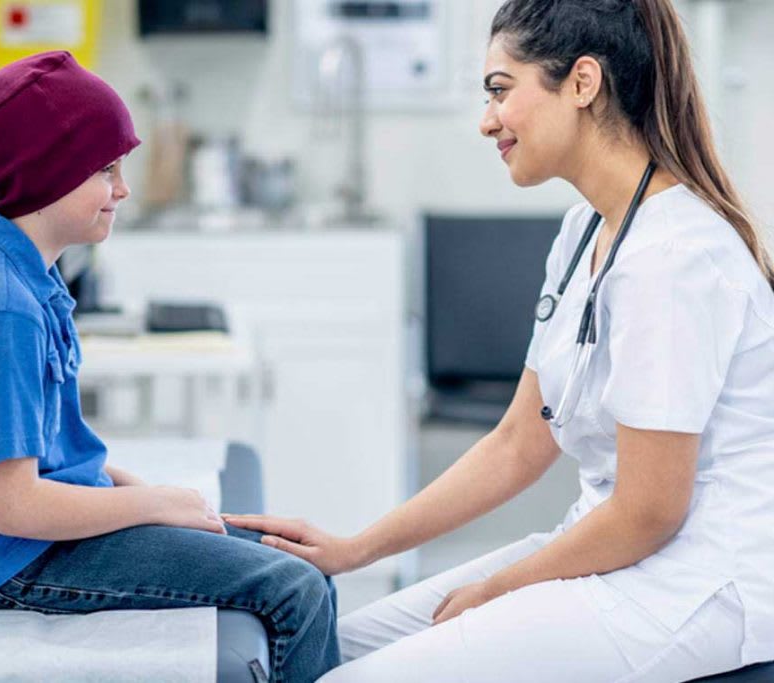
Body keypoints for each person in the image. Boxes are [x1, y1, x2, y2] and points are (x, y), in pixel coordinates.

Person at [225, 1, 774, 680]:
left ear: (581, 83)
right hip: (618, 553)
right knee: (313, 650)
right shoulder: (584, 233)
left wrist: (501, 589)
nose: (487, 120)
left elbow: (651, 511)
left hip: (694, 584)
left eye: (500, 90)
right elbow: (520, 441)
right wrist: (354, 549)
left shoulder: (674, 258)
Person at [0, 51, 340, 683]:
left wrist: (136, 490)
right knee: (293, 589)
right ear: (47, 173)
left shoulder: (25, 280)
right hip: (12, 562)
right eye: (106, 169)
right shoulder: (0, 309)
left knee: (309, 568)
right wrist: (154, 504)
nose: (123, 189)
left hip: (36, 541)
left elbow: (44, 448)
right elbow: (14, 507)